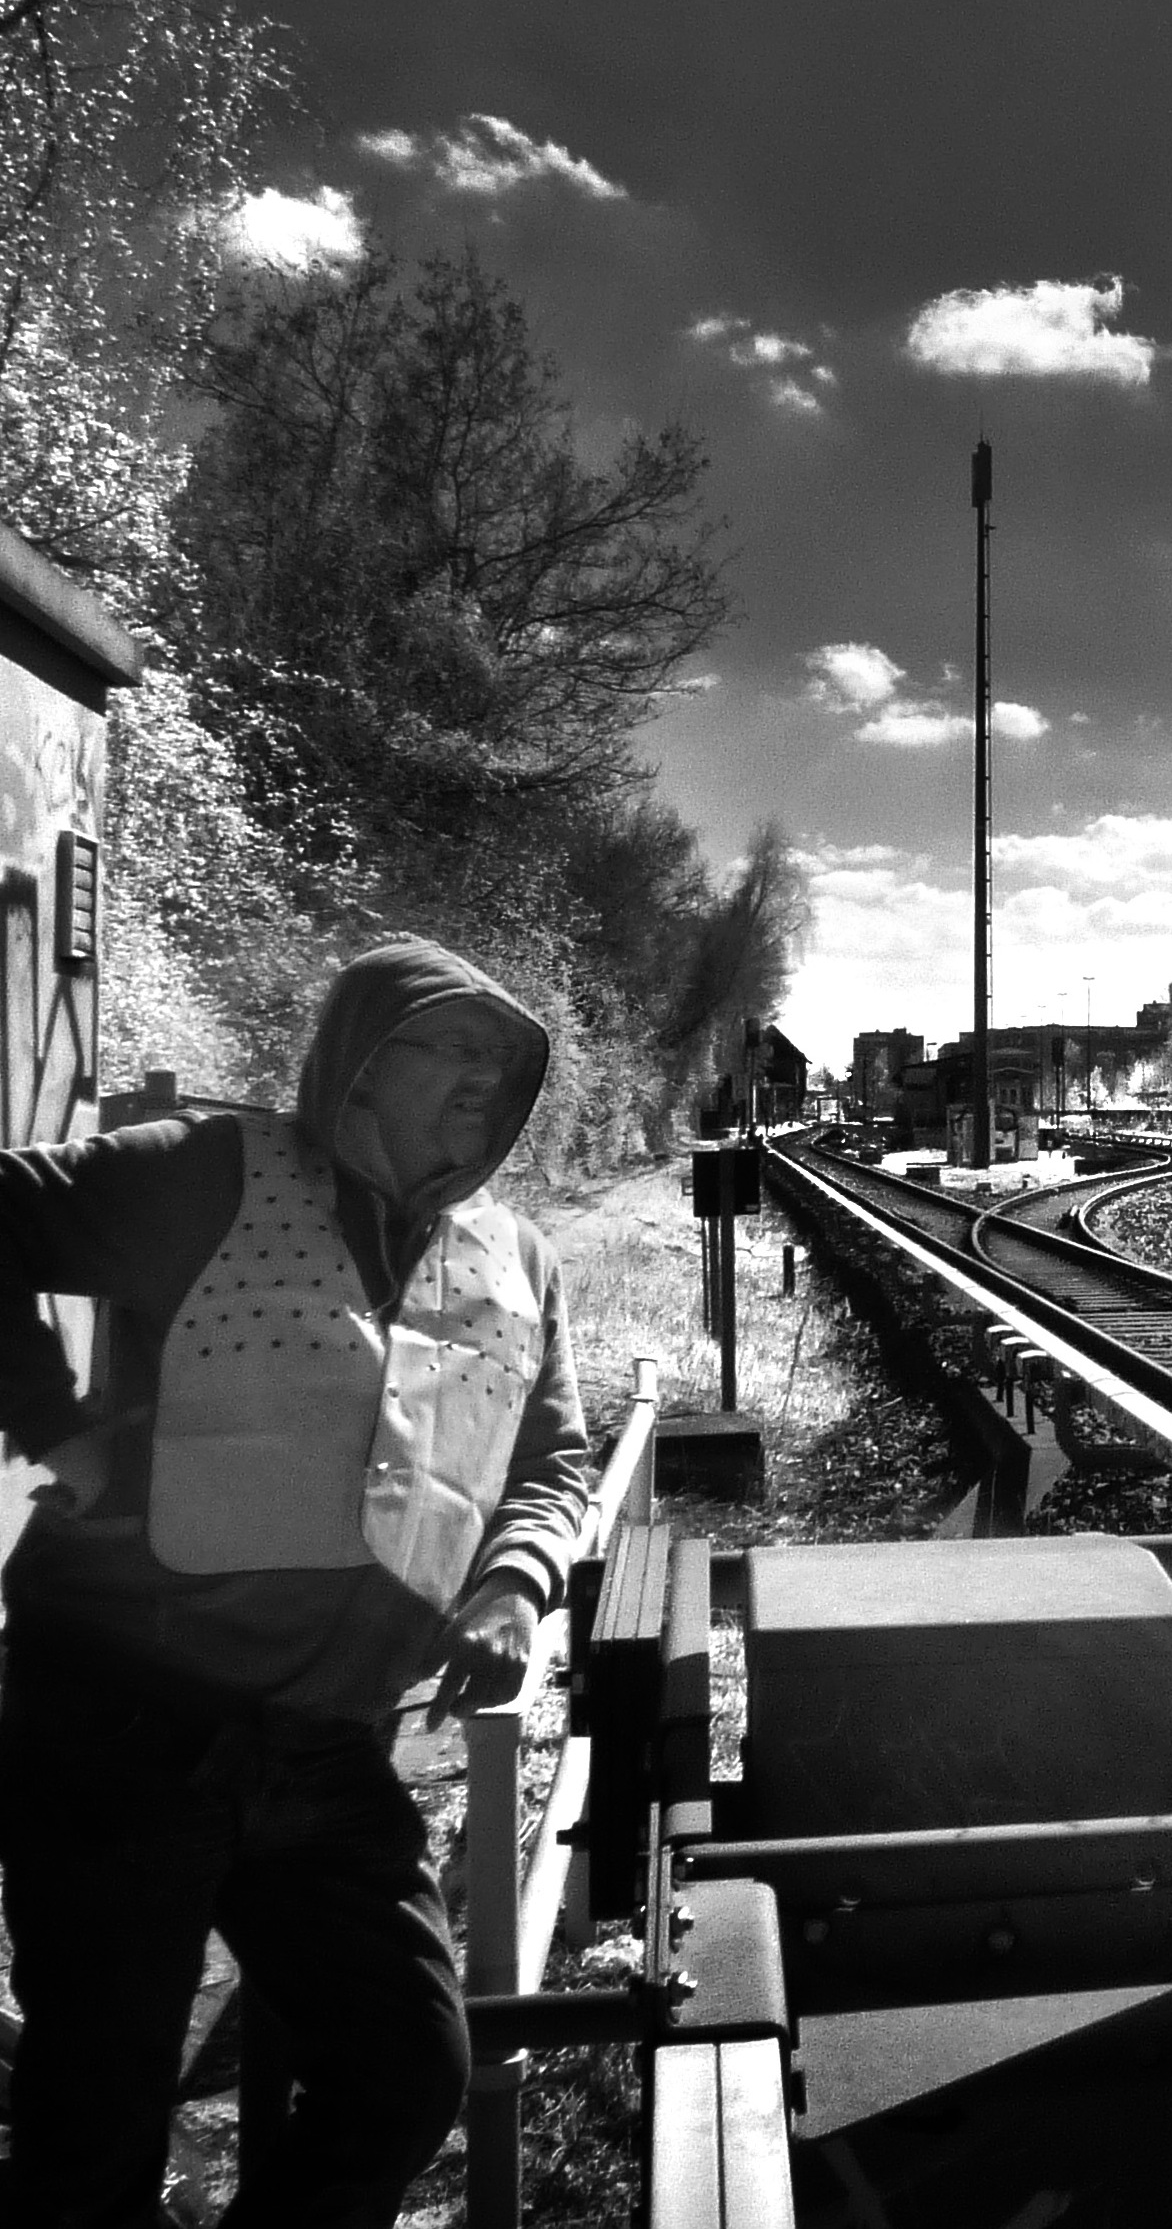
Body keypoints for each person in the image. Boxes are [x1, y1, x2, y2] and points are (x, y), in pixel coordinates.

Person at [0, 938, 591, 2227]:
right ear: (360, 1065)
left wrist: (516, 1583)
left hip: (326, 1747)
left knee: (403, 2072)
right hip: (121, 1725)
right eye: (450, 1054)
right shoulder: (210, 1172)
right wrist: (53, 1422)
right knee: (92, 2125)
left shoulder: (517, 1257)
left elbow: (554, 1457)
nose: (481, 1089)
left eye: (502, 1068)